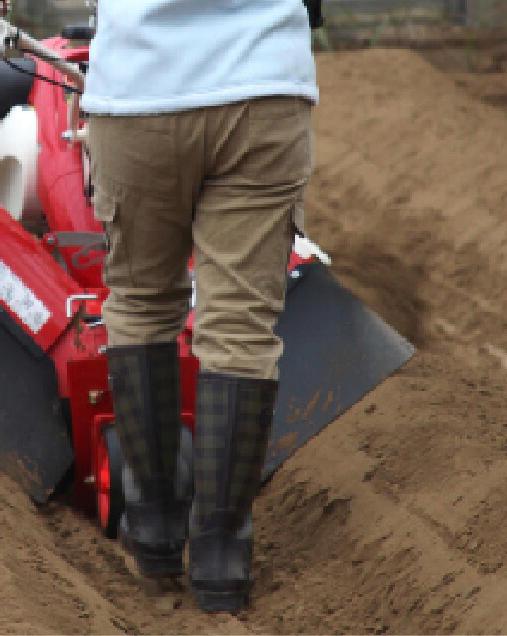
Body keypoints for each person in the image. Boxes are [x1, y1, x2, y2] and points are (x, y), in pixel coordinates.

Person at [82, 0, 318, 614]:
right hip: (263, 87)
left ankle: (154, 530)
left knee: (140, 304)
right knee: (240, 328)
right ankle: (220, 558)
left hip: (138, 91)